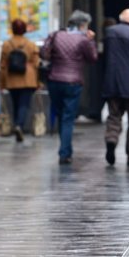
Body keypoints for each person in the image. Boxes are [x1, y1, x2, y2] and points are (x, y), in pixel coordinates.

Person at [41, 9, 98, 165]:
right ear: (82, 25)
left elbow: (44, 53)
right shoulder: (83, 40)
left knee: (61, 115)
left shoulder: (56, 34)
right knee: (68, 118)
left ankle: (65, 149)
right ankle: (64, 153)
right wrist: (91, 40)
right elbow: (93, 58)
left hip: (54, 80)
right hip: (73, 82)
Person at [102, 8, 129, 166]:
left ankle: (111, 140)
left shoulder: (109, 33)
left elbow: (105, 58)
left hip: (112, 83)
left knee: (114, 116)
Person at [0, 18, 40, 142]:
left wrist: (1, 83)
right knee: (24, 104)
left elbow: (3, 64)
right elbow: (37, 63)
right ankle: (19, 125)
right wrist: (38, 82)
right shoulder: (31, 44)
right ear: (25, 30)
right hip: (28, 78)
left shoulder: (7, 44)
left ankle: (17, 125)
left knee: (15, 103)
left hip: (12, 78)